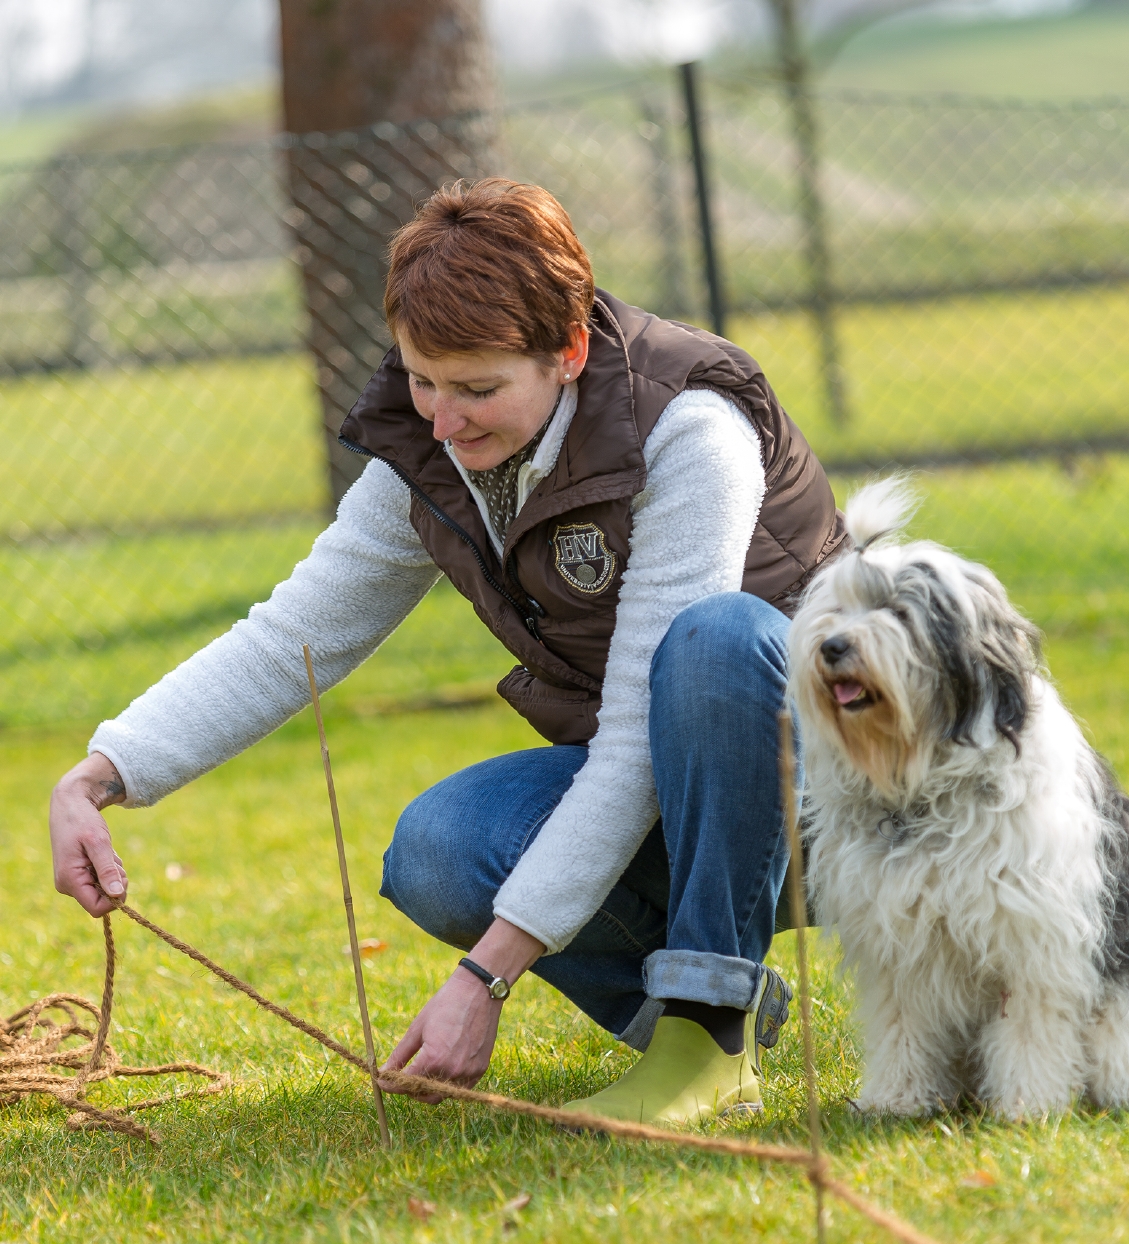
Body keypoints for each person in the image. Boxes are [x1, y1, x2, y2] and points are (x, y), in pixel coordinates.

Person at [49, 179, 844, 1129]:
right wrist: (101, 773)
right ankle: (701, 1006)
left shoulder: (688, 429)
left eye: (477, 388)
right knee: (439, 851)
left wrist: (488, 975)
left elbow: (638, 727)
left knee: (716, 642)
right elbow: (291, 636)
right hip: (672, 784)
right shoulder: (431, 455)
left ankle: (705, 1035)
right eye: (421, 378)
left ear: (570, 353)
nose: (443, 419)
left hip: (840, 795)